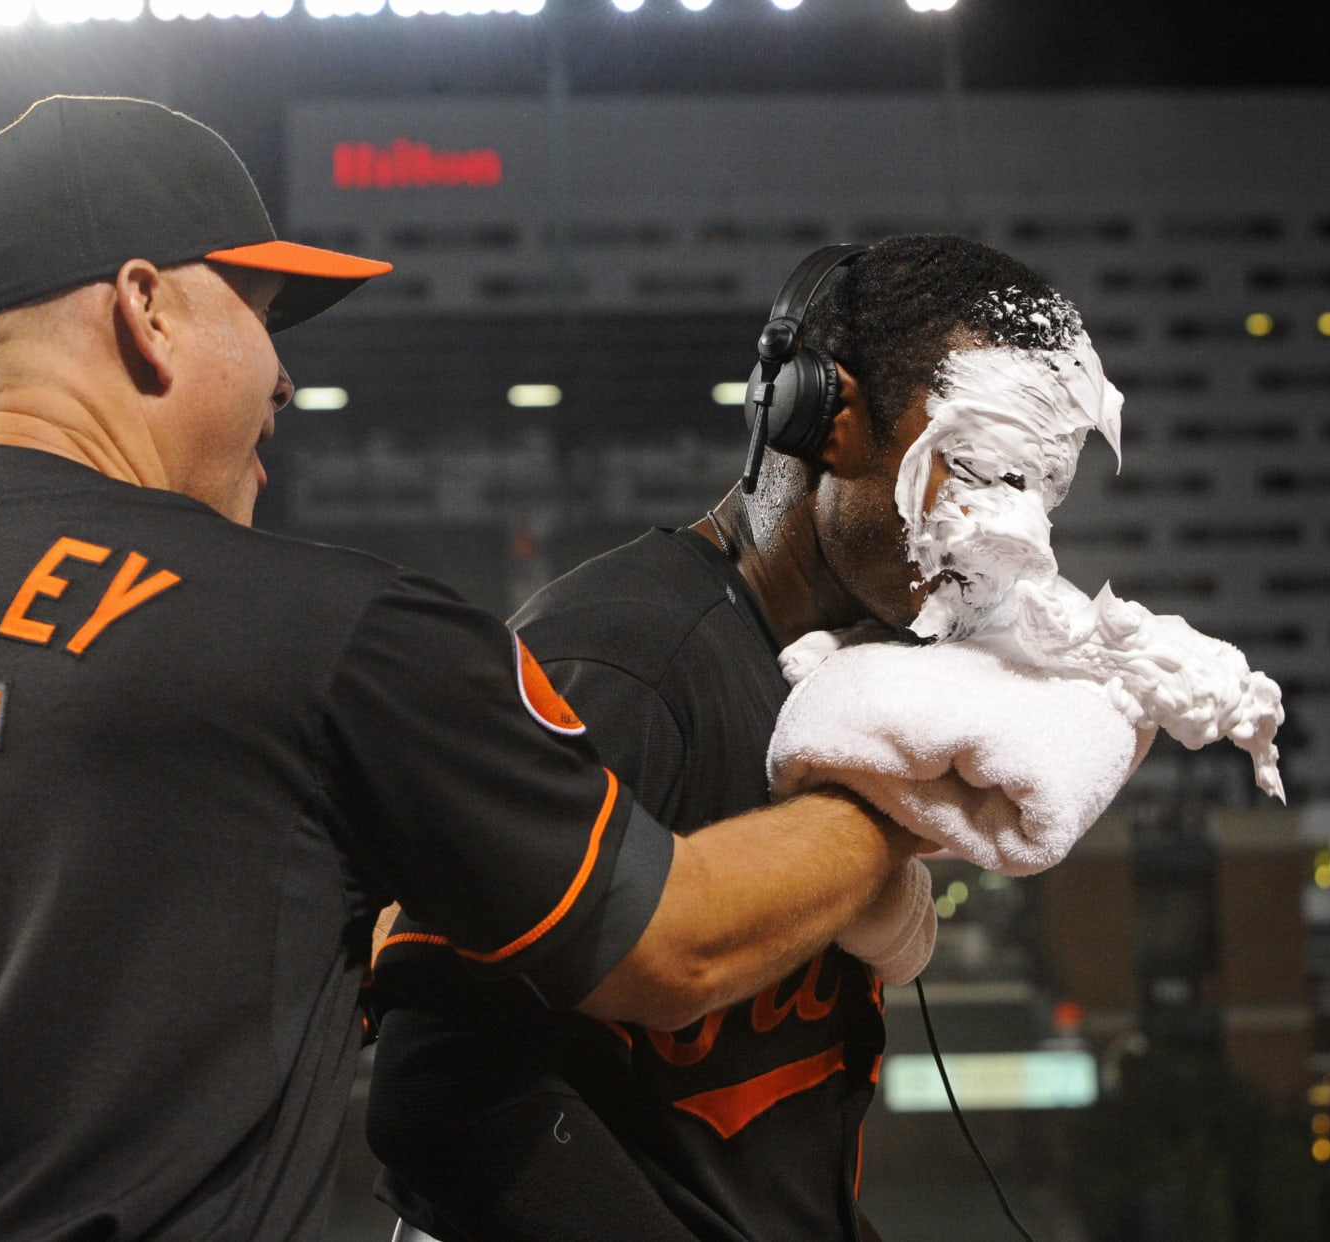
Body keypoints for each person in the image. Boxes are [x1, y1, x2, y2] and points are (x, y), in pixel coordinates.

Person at [0, 96, 919, 1241]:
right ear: (146, 309)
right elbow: (677, 942)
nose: (284, 372)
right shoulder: (316, 627)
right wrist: (893, 803)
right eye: (261, 307)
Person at [367, 235, 1098, 1242]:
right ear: (828, 416)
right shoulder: (625, 663)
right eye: (977, 468)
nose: (1008, 535)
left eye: (1036, 491)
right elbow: (444, 1103)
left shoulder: (837, 686)